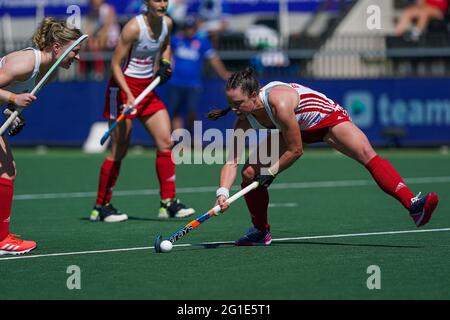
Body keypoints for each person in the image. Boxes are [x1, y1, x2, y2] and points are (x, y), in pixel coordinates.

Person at [209, 68, 439, 246]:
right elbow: (231, 161)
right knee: (249, 173)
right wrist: (222, 193)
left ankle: (413, 206)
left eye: (238, 103)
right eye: (231, 104)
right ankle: (260, 231)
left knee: (367, 155)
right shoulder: (243, 118)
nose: (235, 109)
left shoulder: (278, 103)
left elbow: (296, 150)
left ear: (252, 95)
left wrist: (270, 172)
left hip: (327, 121)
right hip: (291, 128)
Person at [90, 0, 195, 223]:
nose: (163, 3)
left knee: (166, 142)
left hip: (148, 89)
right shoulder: (133, 28)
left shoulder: (167, 23)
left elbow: (166, 45)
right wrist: (127, 94)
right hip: (122, 89)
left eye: (166, 0)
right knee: (119, 149)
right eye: (157, 0)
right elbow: (115, 65)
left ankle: (168, 203)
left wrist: (165, 62)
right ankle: (101, 207)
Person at [0, 17, 83, 255]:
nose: (77, 57)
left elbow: (9, 99)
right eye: (74, 51)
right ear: (57, 47)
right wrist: (14, 100)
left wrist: (12, 113)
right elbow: (11, 94)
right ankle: (2, 239)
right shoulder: (27, 62)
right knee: (6, 169)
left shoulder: (50, 73)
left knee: (6, 168)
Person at [169, 15, 231, 133]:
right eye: (187, 28)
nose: (189, 30)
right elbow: (166, 53)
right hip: (176, 81)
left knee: (191, 111)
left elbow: (213, 58)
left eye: (191, 28)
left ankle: (192, 136)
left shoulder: (202, 42)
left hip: (193, 83)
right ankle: (180, 140)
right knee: (176, 111)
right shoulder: (176, 40)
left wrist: (223, 73)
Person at [81, 0, 120, 80]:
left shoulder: (109, 9)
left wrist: (96, 40)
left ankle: (99, 73)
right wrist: (85, 39)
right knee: (84, 46)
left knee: (93, 44)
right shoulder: (93, 12)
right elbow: (90, 29)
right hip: (102, 38)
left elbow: (106, 28)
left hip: (112, 38)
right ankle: (82, 73)